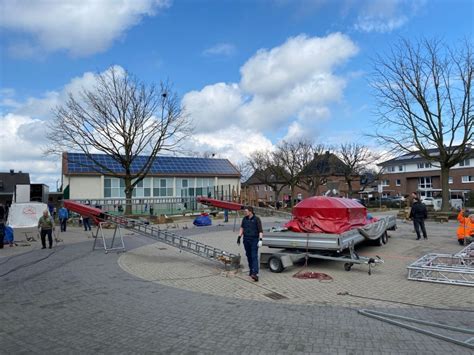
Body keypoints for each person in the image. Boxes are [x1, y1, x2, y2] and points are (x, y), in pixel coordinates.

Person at [237, 206, 263, 282]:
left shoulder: (257, 219)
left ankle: (255, 273)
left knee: (254, 255)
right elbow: (242, 228)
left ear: (250, 211)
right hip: (246, 240)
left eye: (246, 211)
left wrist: (260, 240)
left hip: (254, 239)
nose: (245, 213)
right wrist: (239, 237)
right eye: (244, 211)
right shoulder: (244, 219)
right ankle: (251, 270)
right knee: (248, 255)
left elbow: (260, 230)